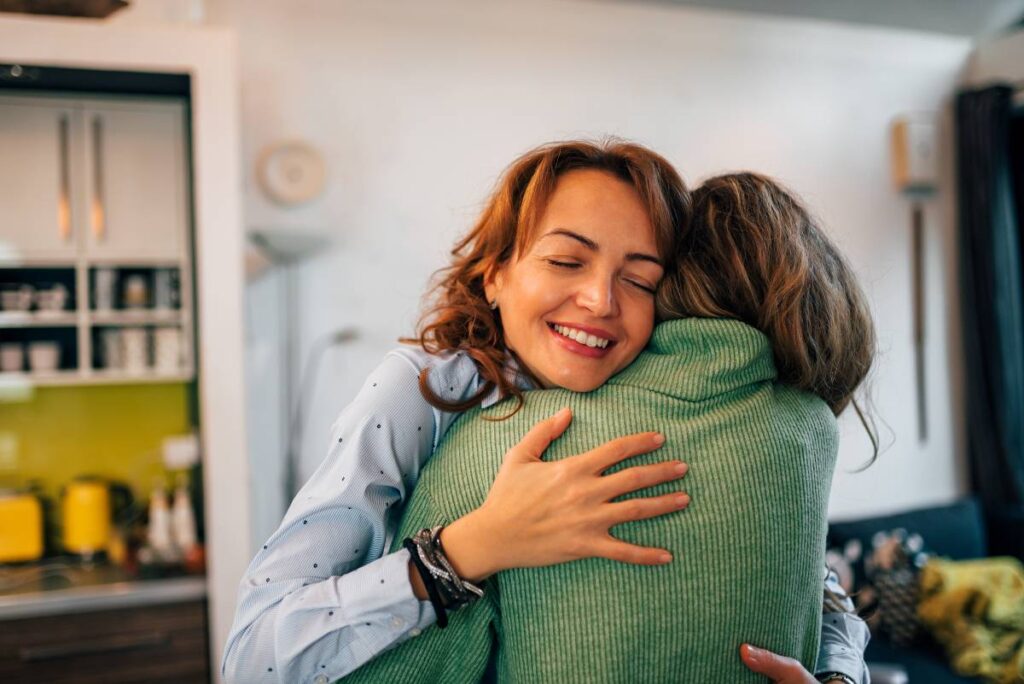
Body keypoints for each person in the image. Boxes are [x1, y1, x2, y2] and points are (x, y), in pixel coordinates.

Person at [220, 142, 866, 682]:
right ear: (495, 272)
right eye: (565, 260)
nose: (599, 299)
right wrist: (470, 548)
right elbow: (253, 658)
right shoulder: (424, 390)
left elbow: (818, 580)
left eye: (639, 279)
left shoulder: (655, 387)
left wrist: (838, 672)